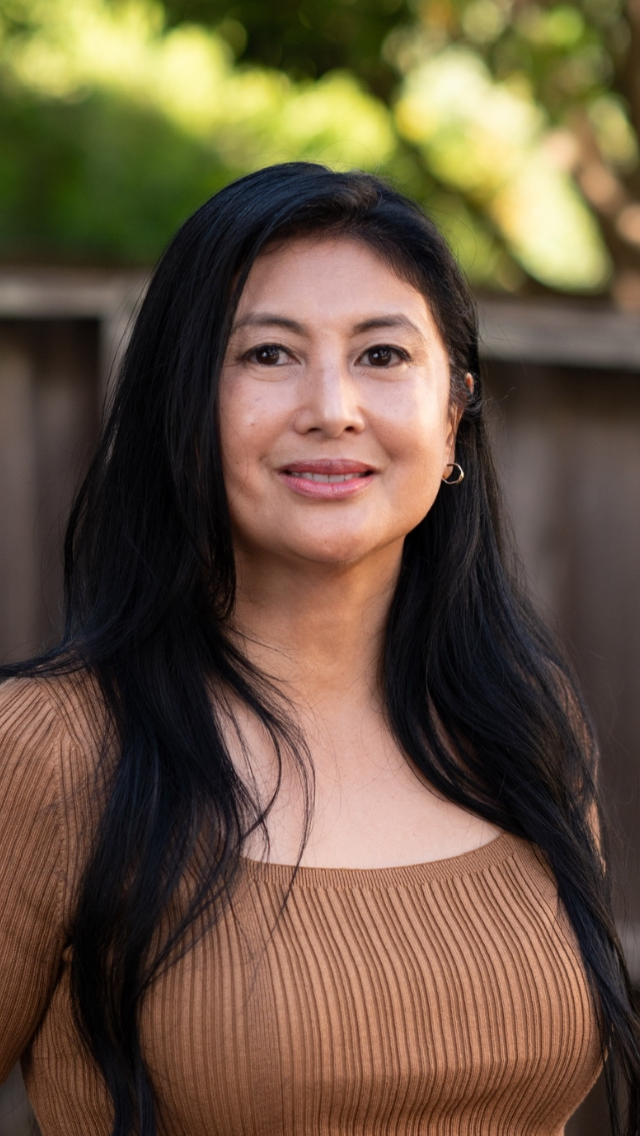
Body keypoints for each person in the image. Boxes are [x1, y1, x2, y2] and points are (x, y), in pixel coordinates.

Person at [0, 162, 638, 1136]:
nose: (332, 404)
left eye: (382, 354)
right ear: (185, 405)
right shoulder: (54, 747)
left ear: (453, 409)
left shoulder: (522, 721)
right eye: (267, 355)